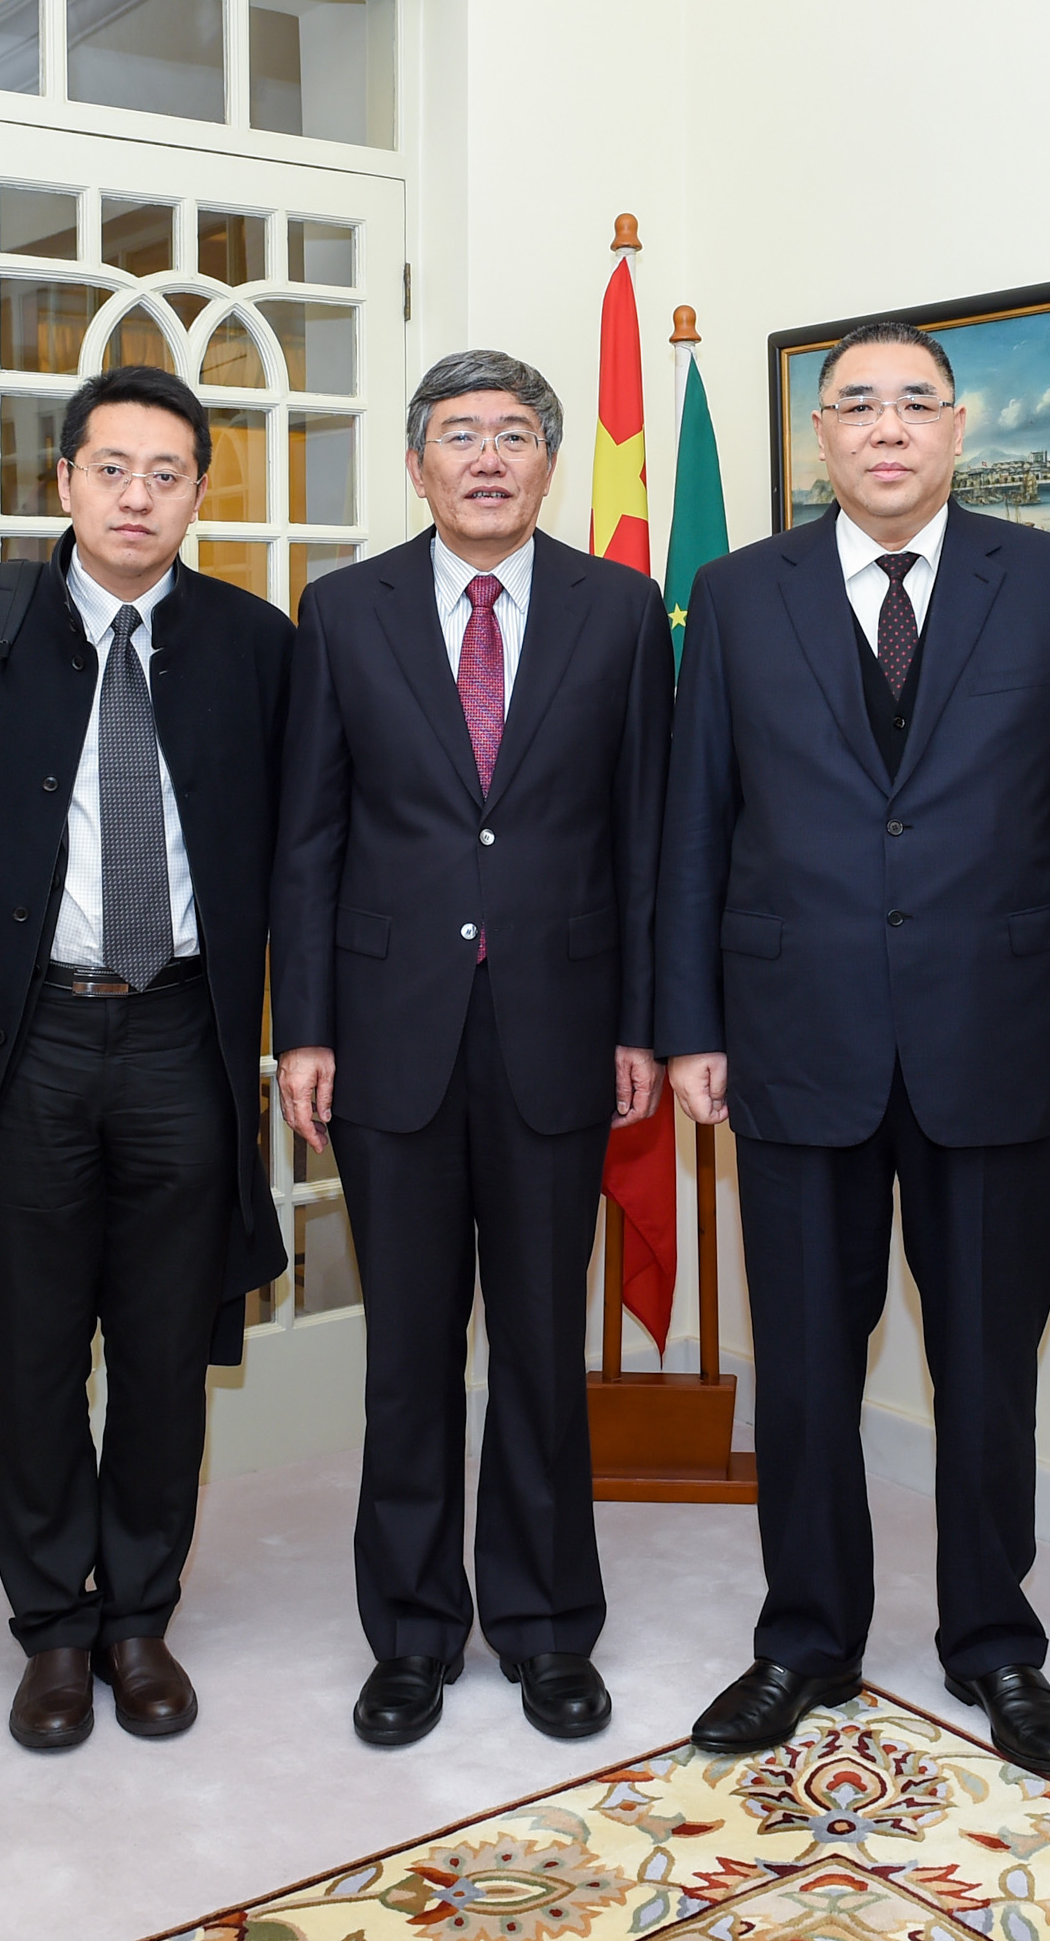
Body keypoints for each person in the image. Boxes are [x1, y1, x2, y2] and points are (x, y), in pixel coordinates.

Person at [659, 321, 1050, 1774]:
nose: (887, 428)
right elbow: (695, 826)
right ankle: (806, 1638)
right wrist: (689, 1026)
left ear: (958, 428)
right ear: (819, 436)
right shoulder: (738, 593)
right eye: (857, 405)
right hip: (791, 1038)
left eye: (915, 403)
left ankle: (996, 1644)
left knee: (988, 1366)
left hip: (998, 1036)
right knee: (806, 1367)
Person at [0, 365, 292, 1754]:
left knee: (163, 1351)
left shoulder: (254, 644)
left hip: (185, 1034)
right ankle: (52, 1625)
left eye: (166, 474)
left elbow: (310, 848)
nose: (136, 498)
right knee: (35, 1354)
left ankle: (138, 1615)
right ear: (63, 481)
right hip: (26, 1037)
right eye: (111, 469)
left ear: (199, 494)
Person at [272, 350, 671, 1748]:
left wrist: (642, 1021)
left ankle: (549, 1626)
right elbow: (308, 838)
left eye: (512, 434)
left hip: (561, 1030)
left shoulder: (621, 610)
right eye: (460, 435)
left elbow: (647, 834)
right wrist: (304, 1027)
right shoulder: (344, 610)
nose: (487, 457)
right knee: (409, 1354)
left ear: (549, 462)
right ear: (418, 464)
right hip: (391, 1036)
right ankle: (412, 1631)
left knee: (545, 1351)